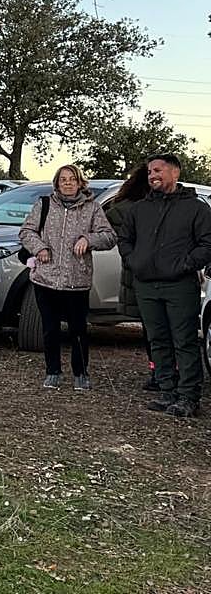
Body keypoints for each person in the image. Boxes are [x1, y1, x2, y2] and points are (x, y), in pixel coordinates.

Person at [118, 153, 211, 418]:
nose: (152, 176)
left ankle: (189, 396)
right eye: (149, 172)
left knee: (184, 341)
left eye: (158, 171)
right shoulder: (140, 209)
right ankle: (167, 390)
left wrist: (185, 264)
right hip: (146, 285)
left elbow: (208, 244)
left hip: (179, 285)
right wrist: (135, 261)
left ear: (175, 173)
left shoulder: (196, 208)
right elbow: (124, 239)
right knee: (157, 340)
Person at [18, 165, 116, 390]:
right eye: (63, 180)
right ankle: (53, 371)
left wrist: (88, 239)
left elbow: (109, 237)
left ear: (80, 182)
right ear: (57, 183)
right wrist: (39, 247)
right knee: (50, 328)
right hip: (46, 278)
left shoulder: (92, 208)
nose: (68, 183)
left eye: (72, 179)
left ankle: (81, 373)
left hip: (76, 280)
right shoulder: (44, 205)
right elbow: (26, 231)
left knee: (78, 330)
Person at [102, 164, 156, 390]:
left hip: (137, 274)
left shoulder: (122, 207)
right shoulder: (139, 207)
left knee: (151, 329)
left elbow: (110, 230)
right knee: (164, 329)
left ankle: (157, 371)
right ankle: (167, 371)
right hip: (152, 275)